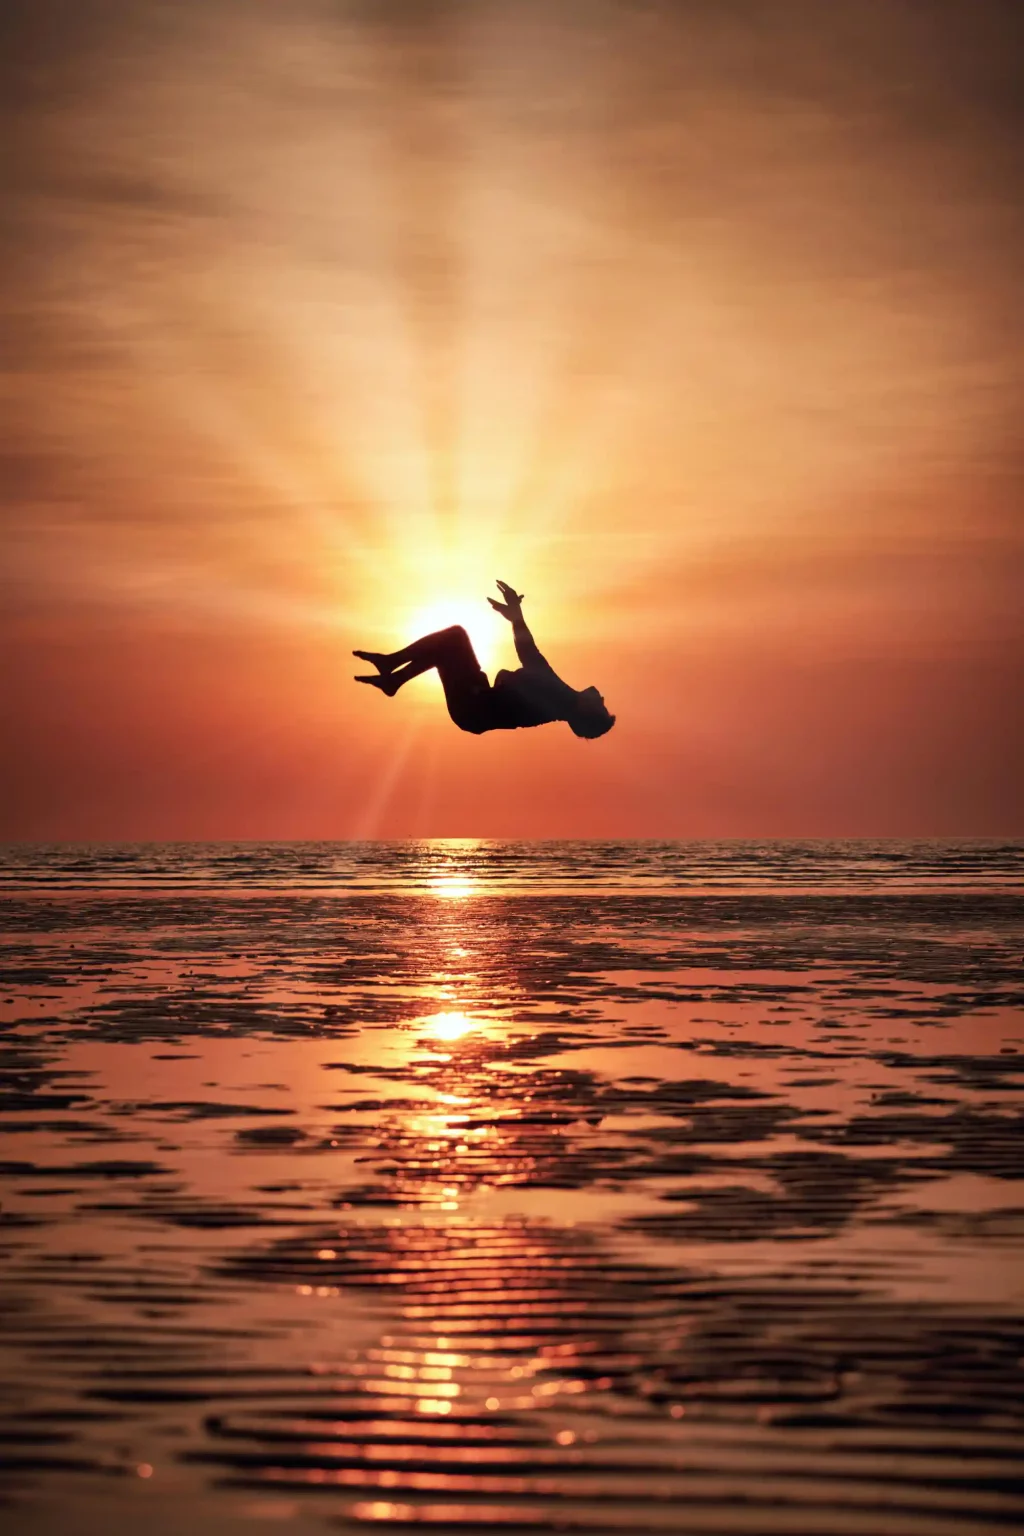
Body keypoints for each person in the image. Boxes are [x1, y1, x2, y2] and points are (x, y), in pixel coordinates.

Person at [354, 581, 615, 739]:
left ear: (585, 712)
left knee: (454, 638)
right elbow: (531, 656)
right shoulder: (562, 695)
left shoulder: (556, 702)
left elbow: (523, 675)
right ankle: (394, 677)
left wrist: (506, 681)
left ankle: (391, 669)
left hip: (472, 707)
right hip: (476, 699)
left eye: (601, 706)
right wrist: (516, 616)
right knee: (448, 646)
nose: (601, 698)